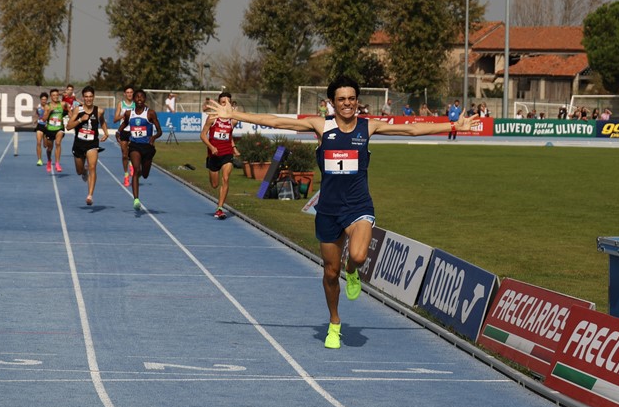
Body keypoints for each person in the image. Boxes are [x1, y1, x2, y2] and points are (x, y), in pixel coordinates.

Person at [204, 75, 479, 349]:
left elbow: (412, 130)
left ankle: (353, 269)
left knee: (358, 255)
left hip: (359, 207)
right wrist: (234, 114)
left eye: (351, 99)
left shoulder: (368, 126)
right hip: (328, 210)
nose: (347, 103)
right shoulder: (321, 126)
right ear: (332, 102)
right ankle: (334, 322)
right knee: (330, 274)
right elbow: (276, 122)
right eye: (342, 99)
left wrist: (454, 125)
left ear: (357, 102)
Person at [118, 88, 163, 210]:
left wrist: (153, 137)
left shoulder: (150, 113)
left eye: (141, 97)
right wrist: (118, 132)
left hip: (147, 147)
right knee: (136, 170)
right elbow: (124, 124)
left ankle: (142, 170)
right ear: (134, 99)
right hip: (135, 145)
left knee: (145, 174)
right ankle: (136, 200)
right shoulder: (129, 113)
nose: (139, 98)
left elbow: (160, 131)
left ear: (145, 99)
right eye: (137, 96)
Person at [199, 91, 240, 219]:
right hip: (213, 155)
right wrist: (211, 147)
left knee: (226, 178)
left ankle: (220, 208)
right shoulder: (212, 118)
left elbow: (229, 135)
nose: (225, 104)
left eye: (228, 102)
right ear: (219, 103)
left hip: (227, 153)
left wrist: (233, 148)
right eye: (223, 102)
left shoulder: (233, 120)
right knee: (215, 184)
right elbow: (202, 135)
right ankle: (219, 206)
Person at [68, 86, 109, 206]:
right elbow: (69, 126)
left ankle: (90, 195)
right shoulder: (77, 110)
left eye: (90, 96)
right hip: (79, 143)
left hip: (92, 143)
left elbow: (102, 121)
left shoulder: (99, 111)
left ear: (93, 97)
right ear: (83, 98)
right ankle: (83, 171)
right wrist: (81, 120)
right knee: (79, 171)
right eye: (86, 97)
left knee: (92, 167)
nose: (88, 99)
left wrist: (106, 132)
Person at [114, 85, 135, 186]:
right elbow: (115, 119)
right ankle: (126, 175)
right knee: (124, 154)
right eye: (128, 92)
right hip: (123, 131)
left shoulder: (136, 104)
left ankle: (131, 163)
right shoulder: (121, 104)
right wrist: (124, 115)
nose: (129, 94)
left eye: (131, 92)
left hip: (134, 131)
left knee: (133, 152)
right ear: (124, 94)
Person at [42, 88, 66, 172]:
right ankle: (49, 160)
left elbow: (69, 111)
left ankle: (57, 163)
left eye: (57, 95)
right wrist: (49, 112)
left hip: (59, 128)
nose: (55, 97)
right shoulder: (47, 106)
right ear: (51, 96)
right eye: (53, 95)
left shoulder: (62, 104)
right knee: (49, 148)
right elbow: (43, 119)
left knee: (58, 143)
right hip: (50, 129)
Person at [34, 91, 49, 166]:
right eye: (42, 99)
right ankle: (39, 160)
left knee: (45, 145)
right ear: (40, 100)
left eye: (45, 99)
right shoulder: (38, 107)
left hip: (47, 127)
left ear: (47, 100)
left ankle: (48, 158)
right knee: (38, 142)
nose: (44, 101)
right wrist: (35, 119)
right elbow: (36, 114)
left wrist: (48, 123)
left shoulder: (49, 107)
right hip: (40, 125)